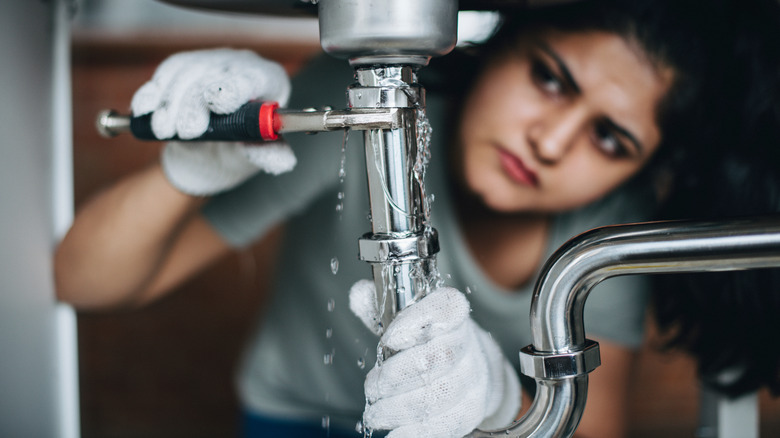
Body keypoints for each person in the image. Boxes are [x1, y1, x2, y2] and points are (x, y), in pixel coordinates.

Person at [55, 0, 780, 436]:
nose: (550, 142)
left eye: (609, 138)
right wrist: (188, 170)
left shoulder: (607, 218)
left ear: (636, 169)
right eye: (550, 79)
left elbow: (596, 427)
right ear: (494, 46)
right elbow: (85, 282)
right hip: (297, 420)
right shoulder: (356, 104)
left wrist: (499, 404)